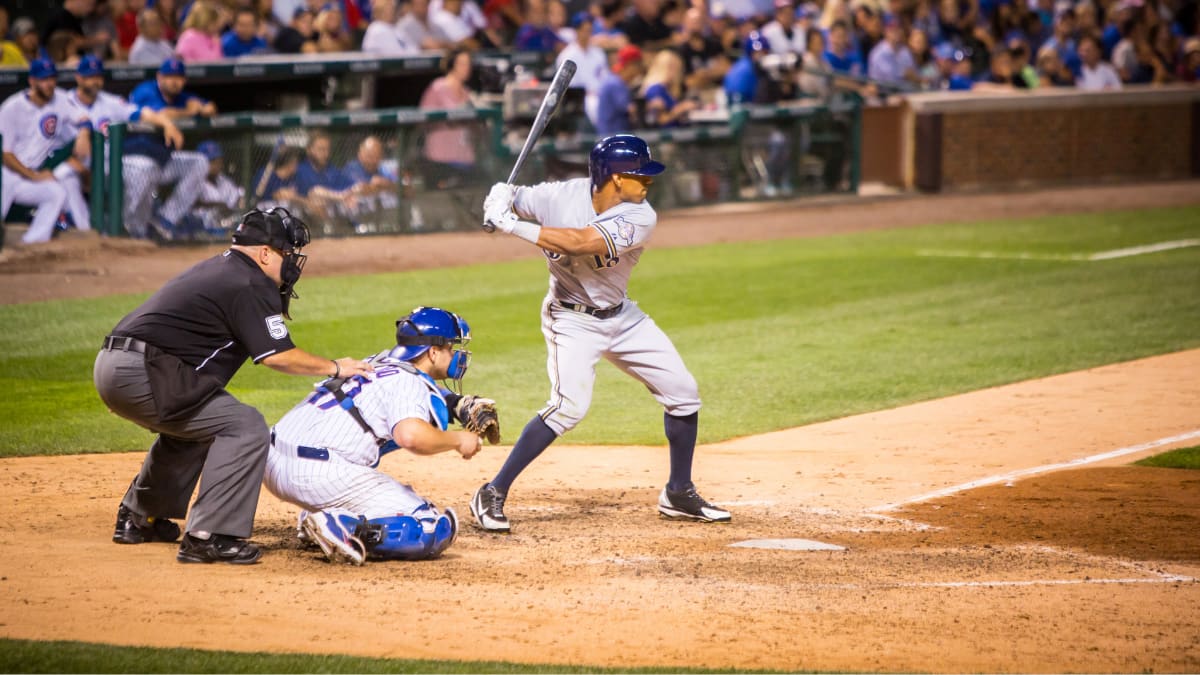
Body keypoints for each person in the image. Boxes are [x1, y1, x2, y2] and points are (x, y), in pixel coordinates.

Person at [471, 134, 732, 533]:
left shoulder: (641, 216)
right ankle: (492, 491)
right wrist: (500, 196)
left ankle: (678, 492)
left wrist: (509, 225)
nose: (648, 182)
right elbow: (517, 196)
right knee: (568, 407)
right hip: (571, 319)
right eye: (638, 175)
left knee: (683, 393)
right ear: (612, 178)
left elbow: (581, 243)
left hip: (623, 318)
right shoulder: (559, 197)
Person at [95, 208, 373, 564]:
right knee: (244, 426)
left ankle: (139, 517)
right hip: (144, 371)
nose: (292, 263)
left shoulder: (221, 267)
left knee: (199, 424)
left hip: (117, 365)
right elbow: (278, 356)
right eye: (288, 253)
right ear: (265, 253)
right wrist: (336, 367)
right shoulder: (250, 282)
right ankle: (209, 536)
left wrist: (120, 382)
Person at [264, 306, 500, 564]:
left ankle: (321, 512)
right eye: (451, 348)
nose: (456, 354)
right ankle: (340, 524)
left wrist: (457, 404)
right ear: (433, 352)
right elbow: (410, 436)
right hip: (316, 476)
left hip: (272, 461)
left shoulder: (379, 361)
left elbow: (417, 390)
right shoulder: (408, 383)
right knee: (431, 526)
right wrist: (459, 440)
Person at [60, 54, 185, 234]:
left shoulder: (111, 102)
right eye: (89, 77)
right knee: (65, 176)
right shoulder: (63, 102)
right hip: (74, 163)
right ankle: (84, 230)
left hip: (109, 164)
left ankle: (128, 225)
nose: (95, 81)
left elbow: (143, 113)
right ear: (78, 78)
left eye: (98, 76)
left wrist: (167, 123)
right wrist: (79, 167)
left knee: (145, 167)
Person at [0, 58, 91, 246]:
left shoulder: (60, 99)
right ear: (32, 81)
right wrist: (34, 176)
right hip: (6, 173)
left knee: (56, 192)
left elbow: (83, 118)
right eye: (43, 79)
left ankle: (31, 244)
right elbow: (6, 155)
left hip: (29, 174)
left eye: (52, 79)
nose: (49, 84)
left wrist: (83, 133)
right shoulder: (11, 107)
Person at [122, 57, 215, 239]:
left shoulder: (182, 97)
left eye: (178, 77)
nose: (174, 81)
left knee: (199, 162)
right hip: (133, 159)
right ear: (159, 77)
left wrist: (203, 109)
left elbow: (211, 107)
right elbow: (159, 114)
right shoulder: (146, 90)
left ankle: (165, 220)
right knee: (134, 216)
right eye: (169, 76)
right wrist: (190, 112)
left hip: (162, 161)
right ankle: (127, 233)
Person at [418, 48, 479, 189]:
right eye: (462, 64)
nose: (467, 68)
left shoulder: (468, 93)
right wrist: (452, 118)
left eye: (468, 64)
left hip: (465, 159)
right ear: (452, 65)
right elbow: (423, 120)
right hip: (440, 160)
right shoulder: (437, 88)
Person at [594, 44, 645, 136]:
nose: (639, 70)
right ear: (631, 65)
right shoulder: (615, 83)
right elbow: (630, 110)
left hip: (611, 136)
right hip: (612, 138)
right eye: (638, 65)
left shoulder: (614, 79)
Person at [639, 48, 698, 127]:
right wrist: (682, 108)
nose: (677, 73)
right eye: (673, 68)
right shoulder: (656, 89)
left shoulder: (665, 89)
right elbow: (660, 121)